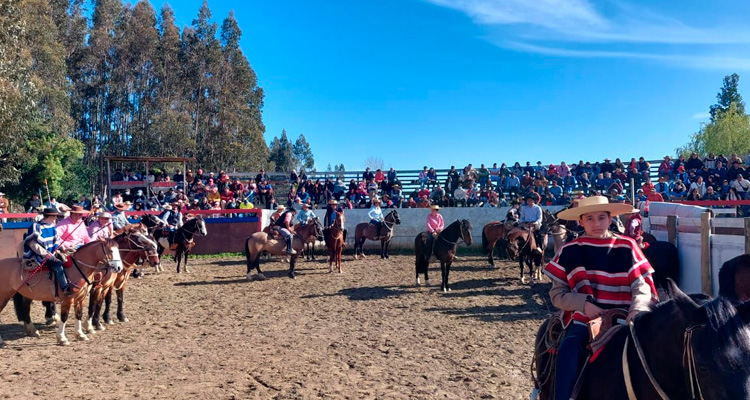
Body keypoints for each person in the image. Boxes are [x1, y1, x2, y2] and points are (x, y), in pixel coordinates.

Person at [544, 196, 657, 400]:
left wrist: (637, 309)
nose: (596, 224)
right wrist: (583, 305)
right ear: (580, 221)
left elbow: (641, 285)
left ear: (610, 219)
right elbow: (557, 295)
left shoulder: (627, 246)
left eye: (601, 218)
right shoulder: (569, 251)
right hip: (585, 318)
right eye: (589, 218)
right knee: (570, 347)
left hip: (626, 315)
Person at [24, 207, 77, 296]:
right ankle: (65, 288)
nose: (56, 218)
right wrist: (45, 254)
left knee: (69, 259)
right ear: (50, 216)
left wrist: (63, 248)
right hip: (37, 255)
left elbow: (57, 240)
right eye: (55, 216)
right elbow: (32, 243)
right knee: (57, 263)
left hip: (52, 252)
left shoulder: (52, 226)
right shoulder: (36, 226)